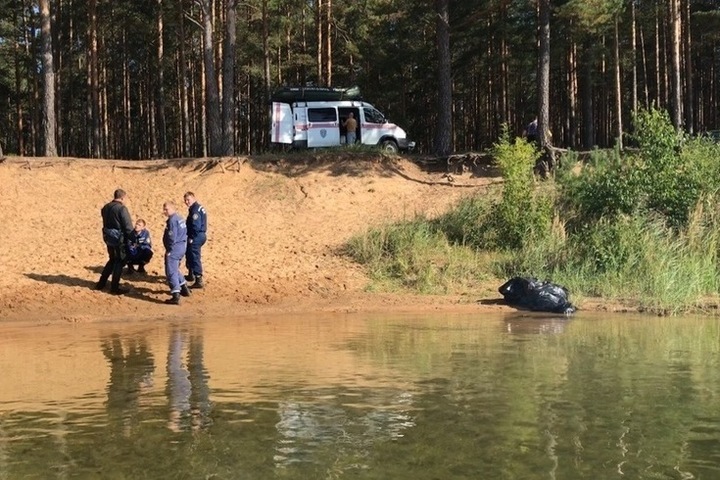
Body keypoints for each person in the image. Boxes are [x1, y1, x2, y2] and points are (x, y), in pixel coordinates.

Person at [96, 189, 135, 295]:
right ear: (122, 197)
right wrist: (133, 239)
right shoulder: (122, 209)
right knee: (119, 261)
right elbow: (128, 226)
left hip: (108, 237)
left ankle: (101, 283)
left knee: (112, 259)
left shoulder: (105, 207)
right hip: (119, 239)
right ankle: (114, 287)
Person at [163, 201, 192, 305]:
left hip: (174, 248)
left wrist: (169, 249)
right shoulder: (180, 218)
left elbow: (171, 237)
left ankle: (176, 295)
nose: (164, 211)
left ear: (172, 208)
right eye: (164, 209)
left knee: (171, 271)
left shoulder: (172, 220)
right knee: (175, 268)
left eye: (166, 209)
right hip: (182, 247)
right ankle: (184, 287)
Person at [183, 191, 207, 289]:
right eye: (185, 200)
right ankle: (191, 274)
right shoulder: (197, 208)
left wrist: (192, 237)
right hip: (199, 235)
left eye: (188, 199)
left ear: (193, 198)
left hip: (197, 235)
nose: (187, 202)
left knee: (194, 256)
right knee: (189, 253)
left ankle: (198, 279)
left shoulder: (195, 210)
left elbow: (195, 226)